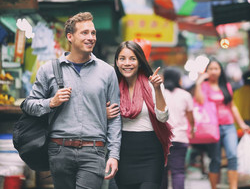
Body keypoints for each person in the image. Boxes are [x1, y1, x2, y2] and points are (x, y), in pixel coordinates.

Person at [21, 12, 121, 189]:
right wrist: (51, 102)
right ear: (70, 37)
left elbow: (114, 118)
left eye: (93, 33)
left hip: (94, 150)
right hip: (59, 149)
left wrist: (113, 154)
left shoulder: (107, 72)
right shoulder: (49, 70)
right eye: (84, 33)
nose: (91, 37)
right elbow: (28, 105)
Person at [107, 41, 172, 189]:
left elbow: (163, 117)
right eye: (122, 58)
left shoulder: (152, 84)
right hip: (123, 152)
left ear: (140, 62)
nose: (127, 63)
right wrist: (104, 114)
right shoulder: (112, 86)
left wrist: (157, 89)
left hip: (150, 153)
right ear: (116, 62)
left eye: (132, 58)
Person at [194, 57, 249, 189]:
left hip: (229, 125)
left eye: (216, 68)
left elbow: (232, 106)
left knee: (232, 156)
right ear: (206, 71)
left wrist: (242, 124)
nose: (213, 71)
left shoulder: (227, 86)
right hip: (212, 127)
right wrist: (199, 82)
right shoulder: (204, 86)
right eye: (211, 69)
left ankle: (233, 187)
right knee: (216, 159)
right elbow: (199, 100)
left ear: (220, 70)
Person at [160, 67, 195, 189]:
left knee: (162, 172)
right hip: (180, 138)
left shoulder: (159, 93)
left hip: (161, 139)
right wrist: (192, 130)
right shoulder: (185, 95)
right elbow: (191, 118)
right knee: (178, 172)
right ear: (178, 80)